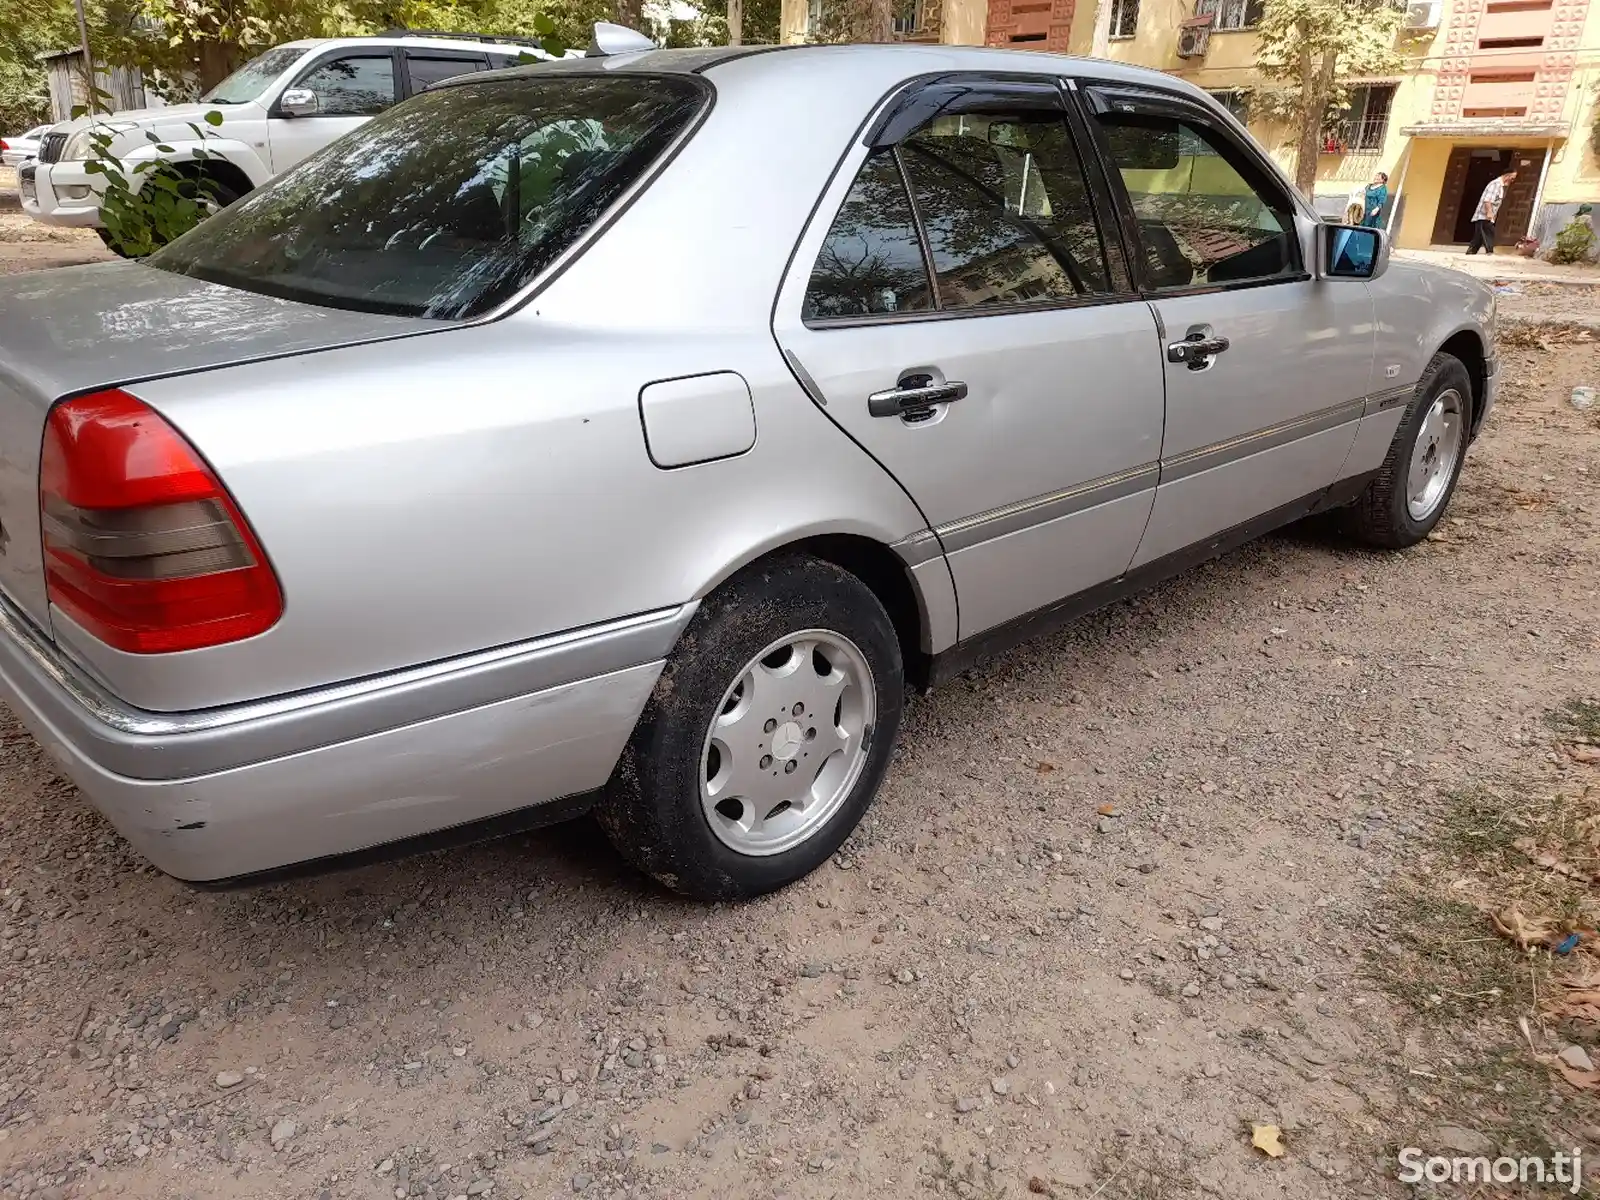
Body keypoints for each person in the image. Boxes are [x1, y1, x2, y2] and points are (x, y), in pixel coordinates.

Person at [1465, 169, 1517, 255]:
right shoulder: (1495, 184)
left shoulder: (1500, 186)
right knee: (1489, 233)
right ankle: (1490, 252)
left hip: (1487, 216)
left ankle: (1470, 253)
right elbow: (1488, 200)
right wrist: (1489, 213)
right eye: (1512, 178)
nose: (1512, 181)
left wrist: (1493, 215)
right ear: (1507, 176)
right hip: (1483, 215)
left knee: (1479, 238)